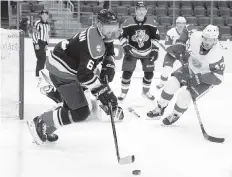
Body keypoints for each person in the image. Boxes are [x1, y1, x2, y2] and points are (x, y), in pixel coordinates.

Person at [27, 9, 124, 145]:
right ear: (99, 24)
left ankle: (46, 127)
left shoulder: (99, 32)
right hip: (62, 72)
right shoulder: (94, 44)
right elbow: (84, 76)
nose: (112, 31)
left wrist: (109, 61)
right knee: (80, 111)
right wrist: (104, 93)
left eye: (114, 26)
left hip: (64, 64)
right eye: (109, 26)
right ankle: (41, 122)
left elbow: (108, 45)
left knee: (73, 106)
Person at [147, 25, 225, 125]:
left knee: (184, 96)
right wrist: (181, 43)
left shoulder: (217, 54)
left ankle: (175, 114)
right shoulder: (196, 36)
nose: (206, 41)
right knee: (171, 84)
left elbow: (218, 78)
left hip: (205, 78)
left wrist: (198, 78)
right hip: (189, 68)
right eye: (205, 38)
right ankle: (160, 108)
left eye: (210, 40)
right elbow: (188, 28)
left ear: (215, 40)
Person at [118, 1, 160, 101]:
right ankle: (123, 93)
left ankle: (145, 92)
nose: (141, 12)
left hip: (147, 51)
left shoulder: (152, 22)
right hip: (132, 51)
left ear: (146, 11)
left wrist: (155, 50)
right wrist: (125, 47)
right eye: (139, 10)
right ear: (135, 11)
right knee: (127, 73)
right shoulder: (128, 21)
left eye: (143, 10)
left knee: (149, 74)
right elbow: (121, 36)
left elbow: (156, 37)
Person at [156, 17, 187, 89]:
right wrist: (172, 53)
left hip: (184, 53)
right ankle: (162, 83)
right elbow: (167, 45)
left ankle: (184, 83)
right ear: (176, 24)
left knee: (187, 68)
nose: (180, 25)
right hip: (172, 53)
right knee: (166, 68)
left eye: (183, 23)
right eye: (179, 23)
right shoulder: (171, 32)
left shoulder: (188, 33)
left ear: (185, 24)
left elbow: (191, 45)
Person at [32, 9, 50, 86]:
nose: (44, 16)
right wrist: (36, 43)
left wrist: (46, 44)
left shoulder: (47, 25)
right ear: (41, 15)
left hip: (44, 43)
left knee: (43, 59)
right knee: (41, 58)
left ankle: (40, 75)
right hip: (38, 42)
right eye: (43, 14)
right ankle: (38, 75)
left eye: (46, 14)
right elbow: (34, 33)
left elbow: (47, 35)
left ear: (47, 16)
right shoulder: (38, 23)